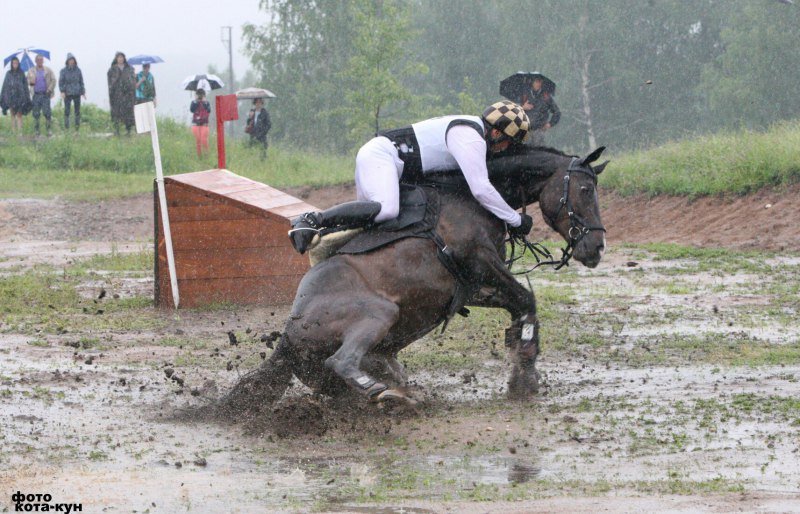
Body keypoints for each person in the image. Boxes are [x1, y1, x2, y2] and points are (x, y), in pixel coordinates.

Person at [289, 100, 533, 254]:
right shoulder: (470, 137)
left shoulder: (471, 131)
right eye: (507, 143)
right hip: (383, 156)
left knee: (369, 225)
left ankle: (325, 246)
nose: (504, 149)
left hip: (387, 160)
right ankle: (312, 218)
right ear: (496, 132)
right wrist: (515, 220)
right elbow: (480, 189)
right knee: (386, 211)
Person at [518, 77, 560, 147]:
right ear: (532, 82)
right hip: (526, 131)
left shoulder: (546, 96)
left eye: (540, 82)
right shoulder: (524, 96)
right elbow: (515, 113)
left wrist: (550, 124)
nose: (539, 84)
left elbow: (557, 112)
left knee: (539, 153)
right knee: (524, 153)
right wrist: (522, 107)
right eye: (537, 81)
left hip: (539, 131)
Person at [107, 52, 136, 136]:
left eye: (122, 57)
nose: (120, 59)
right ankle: (117, 130)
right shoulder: (112, 70)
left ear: (124, 58)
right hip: (117, 96)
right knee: (116, 113)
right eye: (119, 57)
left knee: (128, 113)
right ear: (116, 59)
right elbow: (110, 83)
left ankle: (128, 130)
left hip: (128, 96)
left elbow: (132, 81)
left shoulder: (129, 69)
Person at [0, 57, 32, 134]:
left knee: (19, 115)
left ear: (18, 64)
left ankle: (20, 133)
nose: (15, 64)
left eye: (16, 63)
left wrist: (26, 96)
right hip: (11, 97)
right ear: (11, 64)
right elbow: (5, 86)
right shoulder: (8, 73)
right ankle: (14, 132)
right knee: (12, 114)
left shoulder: (21, 73)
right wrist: (4, 96)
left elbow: (25, 86)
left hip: (20, 97)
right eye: (14, 63)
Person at [26, 55, 56, 136]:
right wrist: (31, 81)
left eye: (41, 60)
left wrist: (49, 89)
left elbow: (53, 80)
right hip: (36, 95)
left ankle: (49, 130)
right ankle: (37, 131)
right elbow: (27, 81)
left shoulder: (48, 70)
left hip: (45, 94)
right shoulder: (31, 70)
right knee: (36, 114)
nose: (40, 61)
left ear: (43, 61)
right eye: (38, 60)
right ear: (35, 61)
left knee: (47, 113)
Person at [58, 53, 86, 131]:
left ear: (74, 61)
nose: (71, 61)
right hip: (67, 93)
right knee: (67, 111)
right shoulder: (63, 71)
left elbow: (81, 81)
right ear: (67, 61)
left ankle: (77, 129)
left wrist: (83, 91)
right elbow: (61, 82)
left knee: (77, 112)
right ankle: (67, 129)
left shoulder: (78, 70)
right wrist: (62, 91)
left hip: (77, 92)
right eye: (70, 60)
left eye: (72, 60)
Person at [190, 88, 211, 157]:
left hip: (204, 124)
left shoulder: (207, 103)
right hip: (196, 124)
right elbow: (192, 110)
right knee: (197, 140)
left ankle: (206, 155)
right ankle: (199, 156)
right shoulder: (194, 102)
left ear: (204, 95)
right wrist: (196, 101)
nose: (200, 96)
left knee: (204, 140)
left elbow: (208, 110)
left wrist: (204, 102)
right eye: (198, 95)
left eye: (201, 95)